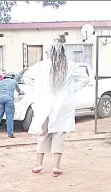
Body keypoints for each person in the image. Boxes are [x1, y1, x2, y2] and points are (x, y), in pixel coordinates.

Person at [23, 39, 90, 177]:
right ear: (63, 52)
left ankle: (39, 165)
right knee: (59, 134)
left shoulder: (41, 65)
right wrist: (70, 90)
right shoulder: (70, 65)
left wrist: (39, 88)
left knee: (43, 133)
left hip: (45, 104)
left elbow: (27, 77)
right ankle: (56, 167)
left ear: (49, 52)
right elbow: (85, 79)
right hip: (62, 106)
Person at [0, 73, 24, 139]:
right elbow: (19, 91)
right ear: (11, 77)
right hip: (8, 98)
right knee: (9, 116)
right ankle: (10, 133)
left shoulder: (0, 82)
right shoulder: (14, 81)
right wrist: (22, 93)